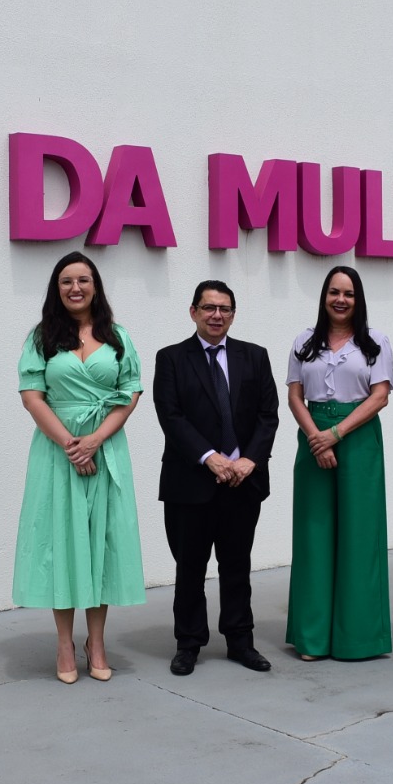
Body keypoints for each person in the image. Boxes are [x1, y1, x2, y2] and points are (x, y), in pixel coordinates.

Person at [12, 251, 146, 684]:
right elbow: (32, 396)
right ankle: (65, 643)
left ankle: (98, 642)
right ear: (57, 288)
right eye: (67, 281)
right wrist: (71, 444)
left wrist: (95, 441)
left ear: (95, 286)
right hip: (58, 453)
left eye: (83, 280)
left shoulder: (118, 335)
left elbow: (130, 393)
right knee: (64, 542)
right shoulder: (41, 337)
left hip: (105, 449)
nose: (75, 288)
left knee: (100, 543)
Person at [154, 279, 280, 676]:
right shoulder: (172, 358)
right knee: (189, 567)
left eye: (224, 308)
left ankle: (240, 642)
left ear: (233, 314)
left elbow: (267, 415)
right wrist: (210, 458)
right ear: (193, 312)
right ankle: (189, 643)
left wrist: (249, 461)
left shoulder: (254, 356)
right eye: (208, 308)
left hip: (243, 482)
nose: (216, 315)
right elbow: (170, 415)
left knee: (237, 566)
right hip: (190, 482)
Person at [284, 266, 393, 661]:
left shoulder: (376, 342)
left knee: (359, 536)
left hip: (359, 438)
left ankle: (358, 639)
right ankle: (312, 638)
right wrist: (317, 436)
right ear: (324, 296)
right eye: (334, 292)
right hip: (313, 435)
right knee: (314, 537)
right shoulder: (304, 341)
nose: (340, 299)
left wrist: (336, 434)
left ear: (358, 299)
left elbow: (380, 396)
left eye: (348, 293)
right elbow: (295, 396)